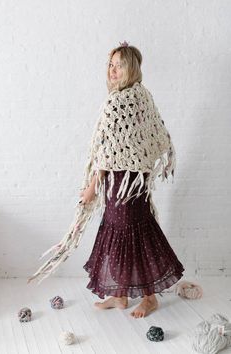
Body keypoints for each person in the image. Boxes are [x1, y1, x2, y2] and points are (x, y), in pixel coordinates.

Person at [80, 41, 185, 318]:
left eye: (119, 65)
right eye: (110, 65)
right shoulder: (142, 96)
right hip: (133, 180)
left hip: (123, 181)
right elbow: (139, 143)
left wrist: (92, 187)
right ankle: (120, 294)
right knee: (124, 230)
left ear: (131, 68)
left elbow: (106, 154)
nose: (113, 70)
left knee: (132, 234)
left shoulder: (120, 101)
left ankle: (149, 298)